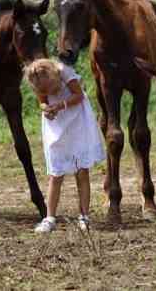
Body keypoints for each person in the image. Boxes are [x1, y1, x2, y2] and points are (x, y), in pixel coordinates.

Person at [25, 59, 105, 233]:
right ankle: (49, 218)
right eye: (43, 91)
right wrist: (46, 108)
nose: (48, 92)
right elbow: (42, 101)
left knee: (82, 170)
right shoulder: (37, 79)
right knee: (56, 173)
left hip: (77, 118)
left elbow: (79, 95)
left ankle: (84, 216)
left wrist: (60, 105)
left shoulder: (64, 71)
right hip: (56, 123)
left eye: (50, 89)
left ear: (54, 78)